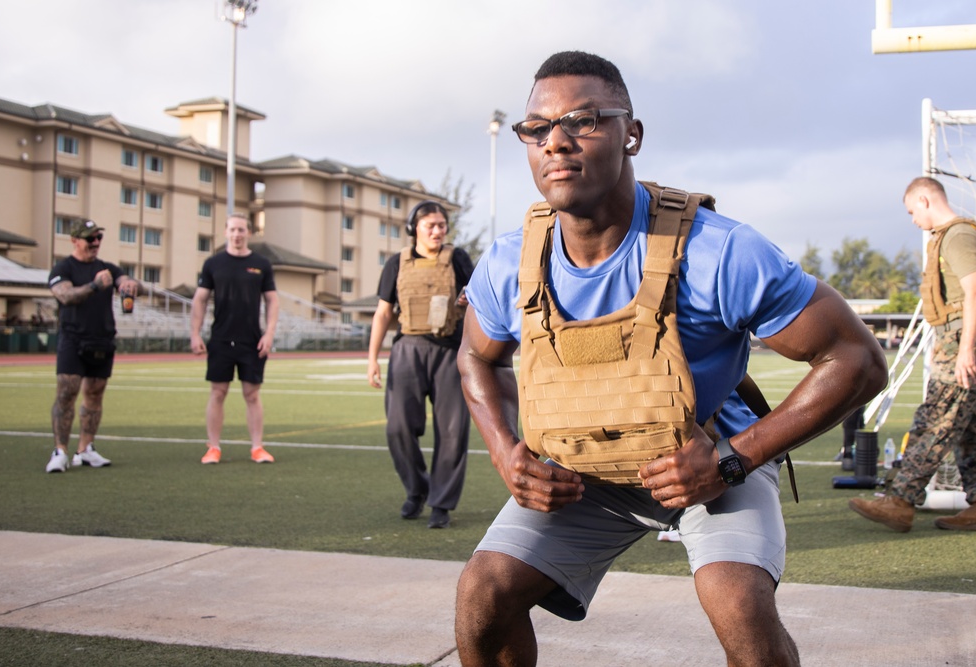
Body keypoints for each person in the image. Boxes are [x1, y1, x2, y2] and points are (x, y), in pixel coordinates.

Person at [454, 51, 887, 666]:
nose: (557, 142)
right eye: (538, 127)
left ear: (631, 135)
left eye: (583, 120)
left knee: (738, 605)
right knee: (483, 593)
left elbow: (856, 359)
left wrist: (732, 463)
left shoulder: (718, 251)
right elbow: (476, 356)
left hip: (711, 464)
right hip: (585, 476)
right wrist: (506, 453)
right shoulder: (508, 261)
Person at [850, 176, 976, 532]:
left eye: (913, 211)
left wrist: (963, 352)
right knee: (967, 425)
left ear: (927, 201)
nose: (914, 220)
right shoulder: (948, 237)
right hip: (955, 338)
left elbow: (974, 293)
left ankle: (900, 500)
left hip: (965, 339)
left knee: (936, 420)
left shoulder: (959, 235)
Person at [367, 201, 474, 529]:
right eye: (431, 225)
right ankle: (417, 490)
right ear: (415, 229)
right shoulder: (396, 263)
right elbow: (384, 312)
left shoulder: (457, 258)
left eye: (442, 225)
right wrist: (372, 359)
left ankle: (440, 503)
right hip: (408, 350)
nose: (438, 231)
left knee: (453, 431)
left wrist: (470, 298)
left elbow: (479, 298)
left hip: (450, 353)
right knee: (398, 427)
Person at [46, 219, 140, 473]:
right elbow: (65, 295)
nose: (96, 243)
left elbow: (126, 281)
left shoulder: (107, 268)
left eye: (99, 237)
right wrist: (95, 286)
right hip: (73, 338)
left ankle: (85, 449)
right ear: (75, 240)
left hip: (102, 339)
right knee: (67, 392)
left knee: (95, 394)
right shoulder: (63, 267)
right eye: (90, 238)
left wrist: (129, 285)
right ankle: (60, 451)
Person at [190, 213, 279, 465]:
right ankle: (214, 448)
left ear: (248, 232)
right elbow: (200, 299)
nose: (237, 234)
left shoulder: (261, 263)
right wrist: (195, 333)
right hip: (220, 339)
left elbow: (272, 300)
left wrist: (269, 333)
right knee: (218, 392)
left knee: (252, 394)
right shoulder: (213, 264)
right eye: (232, 229)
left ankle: (257, 447)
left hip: (252, 340)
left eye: (241, 230)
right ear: (225, 232)